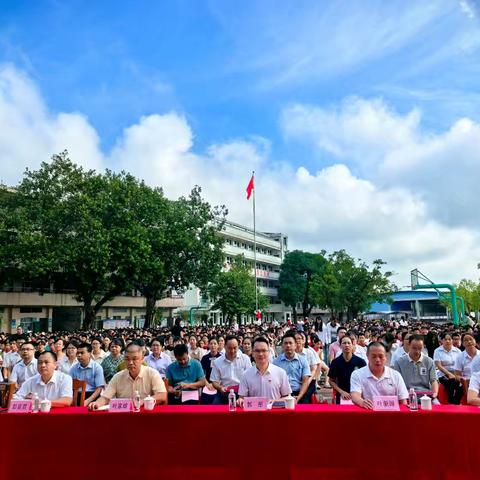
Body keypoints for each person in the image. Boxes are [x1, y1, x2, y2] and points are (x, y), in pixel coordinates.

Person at [88, 343, 167, 410]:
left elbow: (162, 395)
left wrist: (144, 401)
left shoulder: (152, 373)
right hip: (123, 416)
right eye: (127, 359)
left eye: (135, 359)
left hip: (146, 414)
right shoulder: (118, 377)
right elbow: (106, 397)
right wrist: (97, 403)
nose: (130, 363)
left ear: (142, 359)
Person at [350, 342, 409, 409]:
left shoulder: (395, 375)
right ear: (367, 356)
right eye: (374, 356)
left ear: (386, 357)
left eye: (381, 356)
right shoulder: (357, 374)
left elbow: (403, 401)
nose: (377, 360)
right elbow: (355, 395)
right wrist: (362, 402)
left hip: (390, 415)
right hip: (368, 412)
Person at [238, 337, 291, 405]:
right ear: (253, 353)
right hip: (253, 413)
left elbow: (288, 397)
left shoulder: (281, 373)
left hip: (275, 412)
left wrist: (274, 401)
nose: (260, 354)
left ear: (269, 352)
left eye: (263, 350)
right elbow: (242, 398)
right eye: (257, 351)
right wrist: (240, 400)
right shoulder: (246, 375)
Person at [393, 334, 438, 403]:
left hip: (425, 394)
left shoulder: (429, 361)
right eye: (414, 348)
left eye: (420, 348)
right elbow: (396, 382)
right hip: (406, 395)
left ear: (423, 347)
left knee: (436, 405)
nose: (417, 351)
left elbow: (433, 380)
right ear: (409, 345)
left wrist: (435, 393)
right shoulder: (399, 362)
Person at [210, 335, 251, 404]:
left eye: (235, 348)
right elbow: (214, 381)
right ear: (224, 346)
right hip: (225, 392)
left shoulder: (245, 358)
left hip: (242, 392)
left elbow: (250, 378)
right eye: (229, 348)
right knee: (215, 408)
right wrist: (220, 388)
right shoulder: (217, 362)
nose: (232, 351)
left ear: (238, 346)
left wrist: (243, 394)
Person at [273, 332, 311, 404]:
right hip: (281, 395)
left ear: (295, 345)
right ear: (282, 346)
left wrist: (299, 396)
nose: (288, 345)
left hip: (298, 393)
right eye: (285, 343)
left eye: (290, 343)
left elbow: (305, 381)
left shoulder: (303, 360)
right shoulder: (276, 362)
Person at [328, 335, 366, 404]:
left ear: (352, 345)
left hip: (359, 396)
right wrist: (341, 392)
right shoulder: (335, 362)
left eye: (349, 343)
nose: (347, 345)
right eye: (344, 343)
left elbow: (365, 380)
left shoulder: (360, 362)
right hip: (342, 396)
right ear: (340, 346)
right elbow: (331, 381)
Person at [70, 343, 105, 407]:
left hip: (92, 396)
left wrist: (88, 401)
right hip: (77, 396)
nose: (79, 355)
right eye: (78, 353)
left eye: (82, 353)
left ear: (89, 354)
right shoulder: (73, 368)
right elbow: (70, 387)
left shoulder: (97, 367)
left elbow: (99, 388)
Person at [434, 332, 463, 404]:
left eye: (449, 339)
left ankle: (455, 402)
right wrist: (449, 374)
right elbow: (439, 366)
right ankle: (452, 402)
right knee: (450, 383)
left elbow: (461, 365)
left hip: (456, 373)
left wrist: (457, 375)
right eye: (445, 339)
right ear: (442, 341)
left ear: (452, 340)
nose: (447, 341)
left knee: (461, 386)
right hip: (443, 374)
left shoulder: (457, 351)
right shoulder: (437, 351)